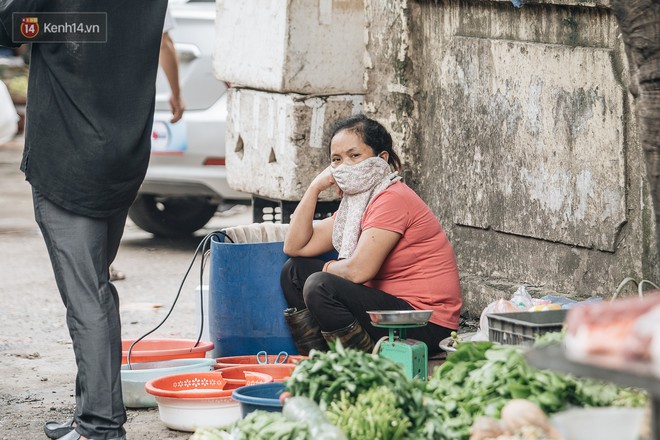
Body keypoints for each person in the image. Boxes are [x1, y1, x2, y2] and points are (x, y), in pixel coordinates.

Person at [0, 1, 168, 439]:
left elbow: (12, 26)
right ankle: (89, 413)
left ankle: (100, 426)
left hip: (70, 157)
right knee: (95, 287)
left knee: (87, 298)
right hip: (125, 153)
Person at [280, 114, 462, 356]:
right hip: (386, 310)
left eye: (355, 156)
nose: (345, 166)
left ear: (381, 158)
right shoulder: (356, 205)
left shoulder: (392, 198)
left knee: (318, 285)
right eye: (337, 159)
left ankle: (359, 366)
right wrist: (314, 188)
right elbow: (295, 247)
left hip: (425, 322)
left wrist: (324, 272)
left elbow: (358, 271)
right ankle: (320, 359)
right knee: (294, 271)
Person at [108, 5, 184, 282]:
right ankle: (102, 260)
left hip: (84, 100)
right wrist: (176, 93)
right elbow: (163, 41)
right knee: (117, 183)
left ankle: (96, 261)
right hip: (127, 105)